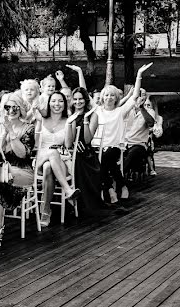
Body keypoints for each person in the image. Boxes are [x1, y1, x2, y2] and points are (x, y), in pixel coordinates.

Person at [96, 62, 153, 203]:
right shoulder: (97, 111)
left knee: (104, 159)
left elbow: (134, 97)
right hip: (98, 147)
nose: (109, 98)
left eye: (112, 95)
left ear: (116, 98)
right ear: (102, 97)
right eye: (106, 95)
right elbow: (83, 93)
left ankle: (110, 189)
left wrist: (139, 75)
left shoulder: (120, 112)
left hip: (114, 147)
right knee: (104, 162)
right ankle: (117, 187)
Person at [0, 92, 36, 241]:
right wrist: (4, 133)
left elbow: (22, 154)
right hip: (4, 170)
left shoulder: (28, 128)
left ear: (21, 109)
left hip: (23, 171)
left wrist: (11, 132)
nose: (11, 110)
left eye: (15, 107)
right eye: (7, 107)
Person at [35, 92, 80, 226]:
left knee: (48, 166)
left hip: (60, 161)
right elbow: (36, 144)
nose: (57, 104)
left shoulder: (69, 120)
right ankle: (68, 190)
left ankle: (45, 210)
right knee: (51, 153)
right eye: (54, 101)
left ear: (65, 104)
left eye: (60, 101)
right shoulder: (42, 119)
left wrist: (68, 125)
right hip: (41, 158)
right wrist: (37, 122)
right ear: (49, 103)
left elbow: (67, 145)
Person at [67, 87, 104, 213]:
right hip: (71, 151)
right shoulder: (69, 114)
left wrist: (86, 120)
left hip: (86, 153)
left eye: (80, 99)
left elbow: (88, 140)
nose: (78, 102)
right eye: (75, 99)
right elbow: (68, 140)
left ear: (85, 100)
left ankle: (82, 202)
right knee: (73, 160)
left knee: (78, 161)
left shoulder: (94, 115)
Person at [122, 87, 157, 178]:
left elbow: (151, 123)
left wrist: (141, 108)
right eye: (138, 95)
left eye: (143, 95)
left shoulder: (149, 111)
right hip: (124, 143)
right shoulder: (127, 111)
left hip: (139, 144)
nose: (140, 98)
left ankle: (119, 176)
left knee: (134, 152)